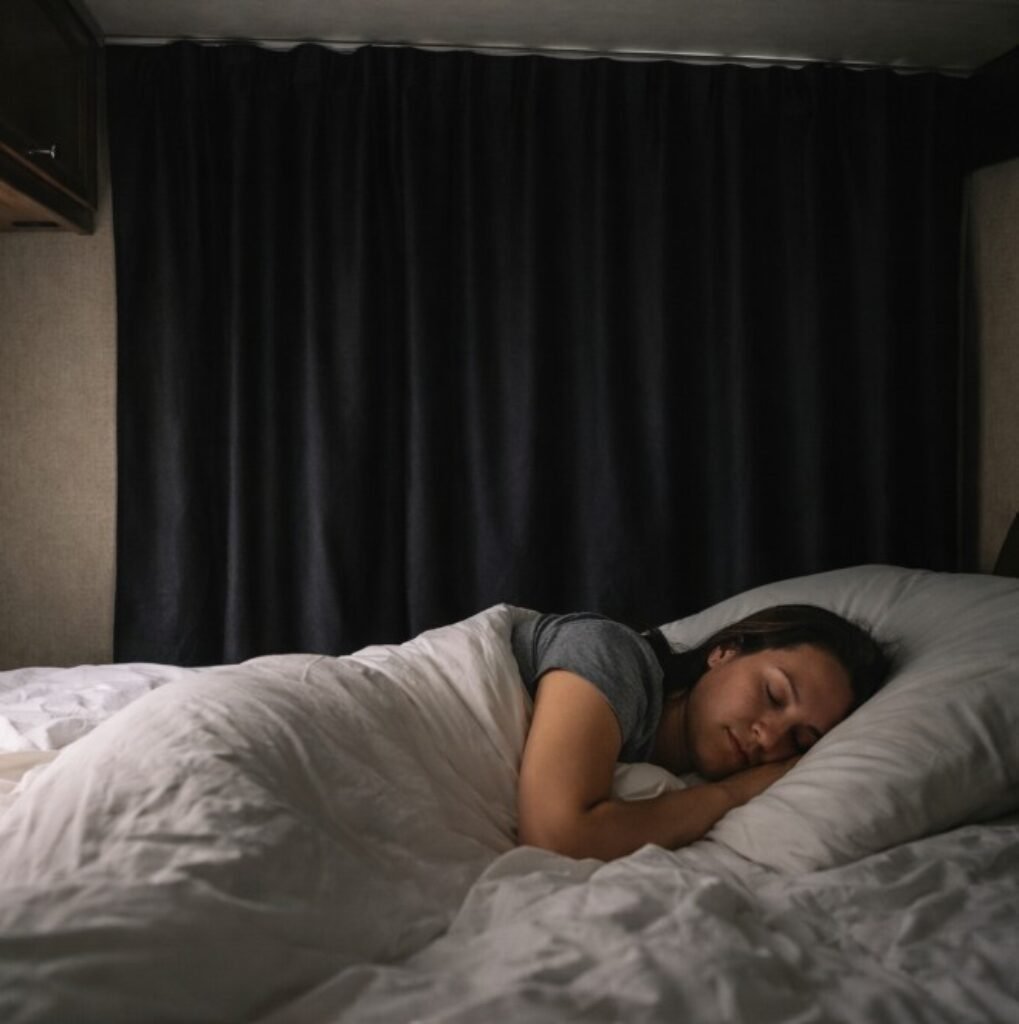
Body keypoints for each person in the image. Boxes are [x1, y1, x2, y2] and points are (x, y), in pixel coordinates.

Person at [513, 604, 889, 861]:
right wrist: (733, 792)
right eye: (773, 695)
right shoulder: (609, 652)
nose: (770, 737)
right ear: (723, 652)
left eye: (799, 740)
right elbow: (557, 836)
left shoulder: (667, 776)